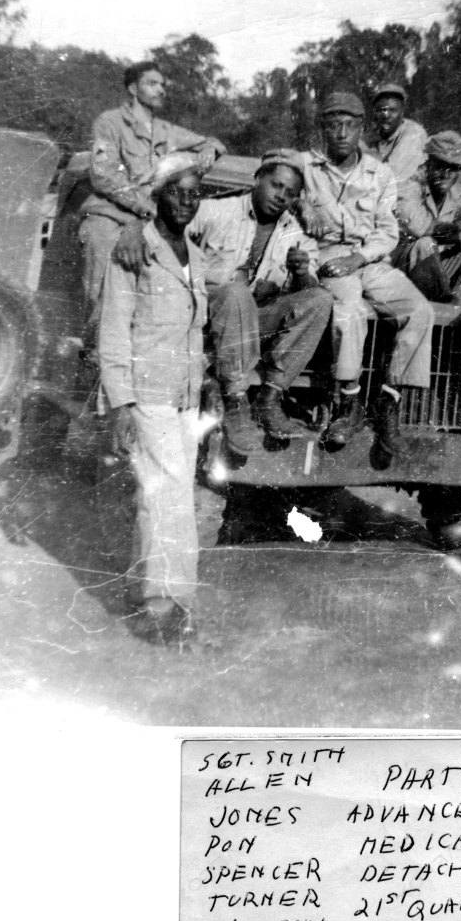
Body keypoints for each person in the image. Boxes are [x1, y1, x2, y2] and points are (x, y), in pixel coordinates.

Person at [98, 154, 208, 647]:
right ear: (158, 195)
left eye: (194, 192)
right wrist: (119, 403)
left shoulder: (196, 255)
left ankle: (140, 588)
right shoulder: (134, 250)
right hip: (148, 395)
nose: (187, 200)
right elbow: (114, 329)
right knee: (172, 497)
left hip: (184, 396)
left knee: (160, 494)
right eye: (177, 191)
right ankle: (166, 606)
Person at [299, 92, 435, 462]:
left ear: (361, 127)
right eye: (333, 125)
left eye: (350, 125)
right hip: (325, 255)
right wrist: (298, 206)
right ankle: (349, 401)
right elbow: (271, 178)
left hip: (366, 257)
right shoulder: (305, 168)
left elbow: (388, 232)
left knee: (419, 311)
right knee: (349, 309)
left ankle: (388, 400)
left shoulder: (380, 173)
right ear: (323, 129)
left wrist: (358, 257)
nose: (342, 133)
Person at [186, 150, 333, 455]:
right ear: (257, 179)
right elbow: (172, 231)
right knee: (235, 292)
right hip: (205, 321)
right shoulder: (216, 210)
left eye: (290, 193)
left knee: (320, 298)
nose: (281, 197)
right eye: (276, 185)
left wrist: (302, 273)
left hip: (253, 327)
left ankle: (270, 398)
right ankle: (236, 401)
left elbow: (309, 290)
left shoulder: (295, 233)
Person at [78, 60, 226, 347]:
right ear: (133, 88)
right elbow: (104, 175)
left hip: (147, 218)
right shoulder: (109, 123)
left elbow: (211, 142)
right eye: (152, 84)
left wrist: (209, 149)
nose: (161, 90)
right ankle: (94, 348)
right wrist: (145, 207)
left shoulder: (165, 130)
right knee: (104, 272)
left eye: (162, 85)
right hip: (110, 213)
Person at [394, 130, 461, 302]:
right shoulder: (409, 188)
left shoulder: (457, 195)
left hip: (432, 272)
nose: (445, 175)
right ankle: (445, 300)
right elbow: (421, 228)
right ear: (428, 163)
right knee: (425, 243)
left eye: (452, 169)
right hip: (400, 269)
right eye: (440, 166)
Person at [365, 82, 428, 190]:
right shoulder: (371, 135)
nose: (386, 115)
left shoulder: (413, 133)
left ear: (402, 112)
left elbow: (393, 175)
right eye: (381, 110)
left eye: (392, 110)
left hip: (404, 193)